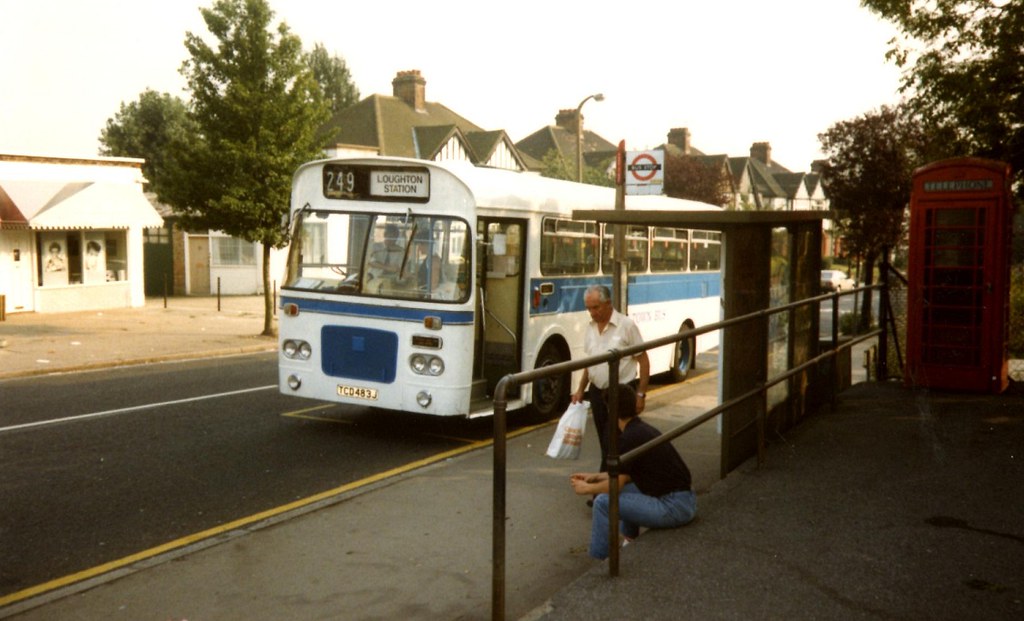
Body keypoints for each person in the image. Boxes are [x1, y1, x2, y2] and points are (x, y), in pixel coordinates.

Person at [569, 385, 696, 560]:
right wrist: (595, 477)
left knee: (602, 502)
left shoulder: (629, 438)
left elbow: (616, 484)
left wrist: (586, 489)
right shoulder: (641, 429)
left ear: (611, 411)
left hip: (673, 508)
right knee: (627, 491)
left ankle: (601, 560)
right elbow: (627, 474)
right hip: (684, 500)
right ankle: (629, 540)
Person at [570, 284, 650, 473]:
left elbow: (643, 361)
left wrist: (641, 394)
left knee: (615, 440)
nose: (592, 313)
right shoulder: (590, 327)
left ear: (608, 303)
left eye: (596, 307)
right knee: (604, 440)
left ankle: (611, 482)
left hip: (621, 392)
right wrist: (580, 389)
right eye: (588, 308)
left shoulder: (626, 325)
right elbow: (590, 363)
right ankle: (608, 481)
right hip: (598, 392)